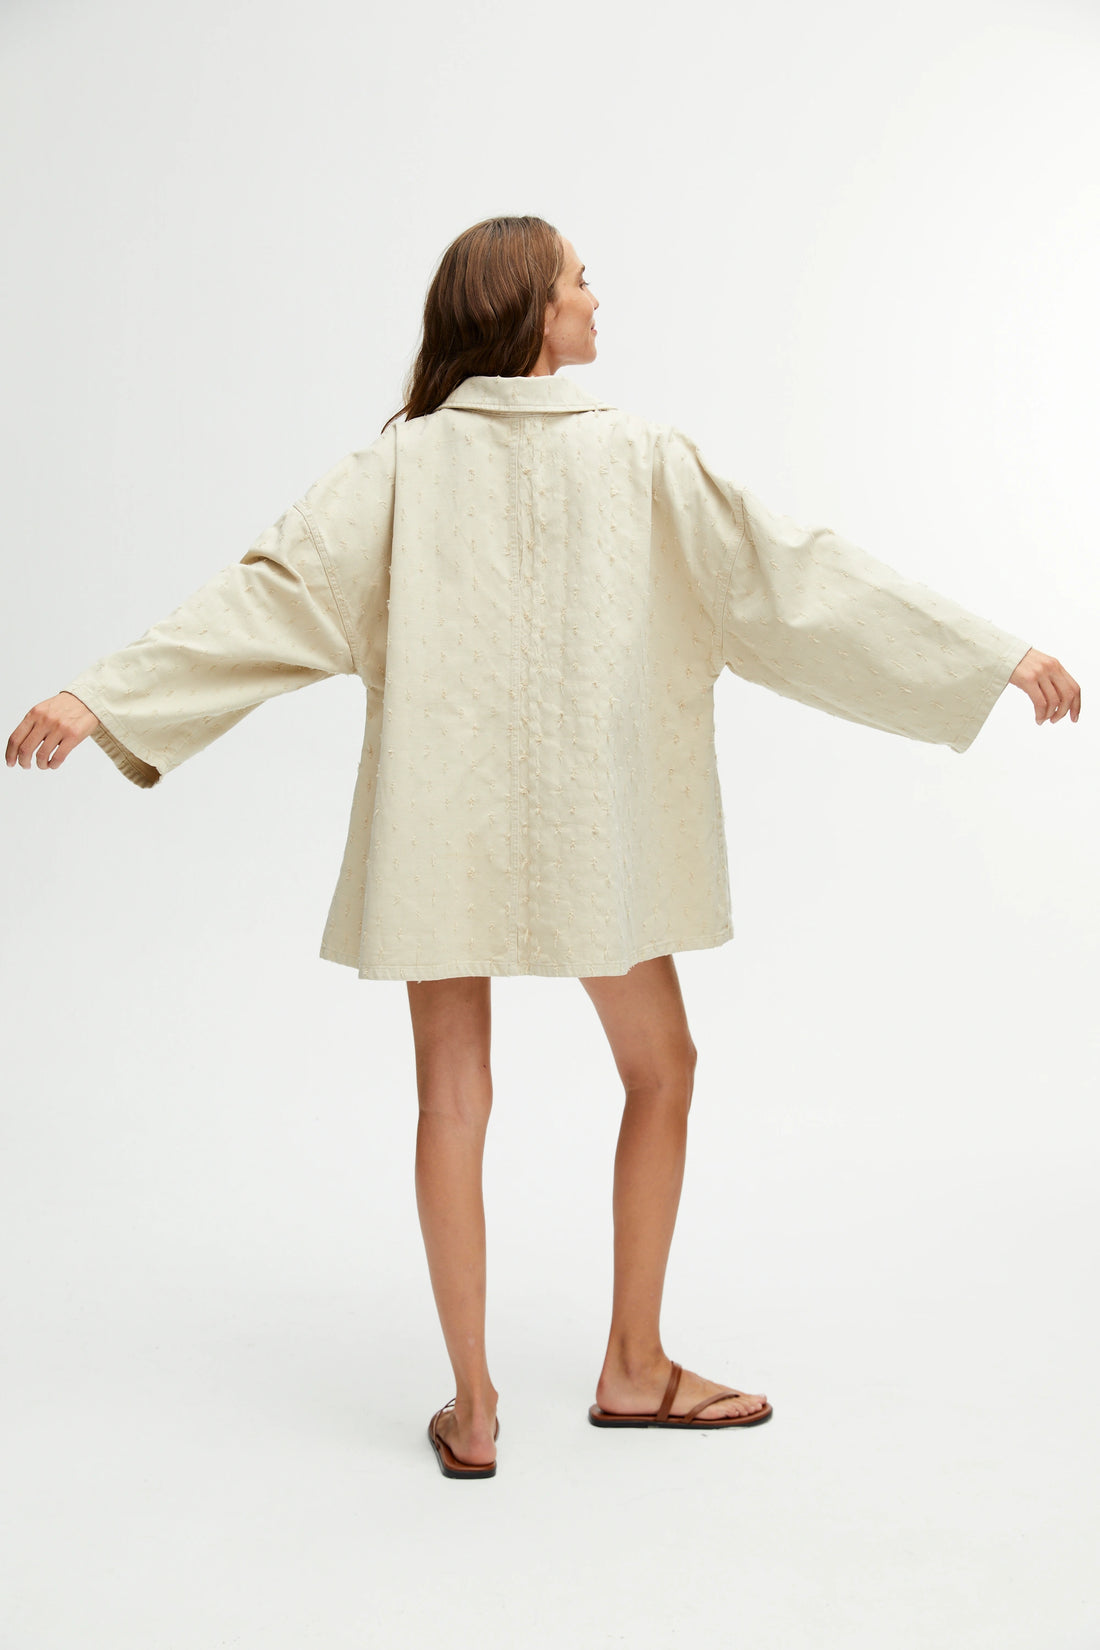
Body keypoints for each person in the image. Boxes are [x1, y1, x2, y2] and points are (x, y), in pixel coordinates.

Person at [5, 216, 1081, 1481]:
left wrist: (104, 696)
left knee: (452, 1097)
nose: (594, 297)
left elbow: (274, 593)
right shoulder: (639, 457)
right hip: (594, 831)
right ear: (527, 308)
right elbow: (792, 581)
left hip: (438, 823)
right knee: (661, 1069)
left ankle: (472, 1410)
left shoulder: (401, 465)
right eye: (577, 279)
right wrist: (983, 657)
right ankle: (634, 1366)